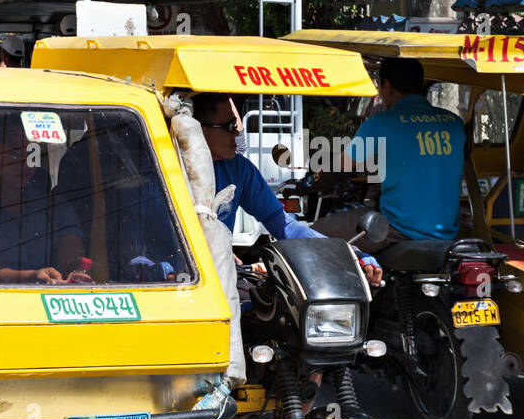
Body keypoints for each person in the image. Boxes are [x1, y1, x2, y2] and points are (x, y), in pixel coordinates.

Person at [192, 92, 382, 285]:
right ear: (197, 129)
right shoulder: (169, 169)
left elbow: (284, 225)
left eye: (236, 124)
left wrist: (350, 253)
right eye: (229, 127)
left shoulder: (239, 170)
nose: (238, 132)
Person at [313, 56, 467, 250]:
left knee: (314, 232)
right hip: (446, 232)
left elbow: (340, 169)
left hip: (399, 230)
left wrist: (307, 185)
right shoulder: (454, 123)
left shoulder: (380, 123)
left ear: (386, 85)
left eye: (379, 85)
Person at [0, 121, 89, 284]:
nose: (25, 162)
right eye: (15, 152)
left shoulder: (55, 206)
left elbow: (73, 259)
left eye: (31, 152)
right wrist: (33, 276)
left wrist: (76, 275)